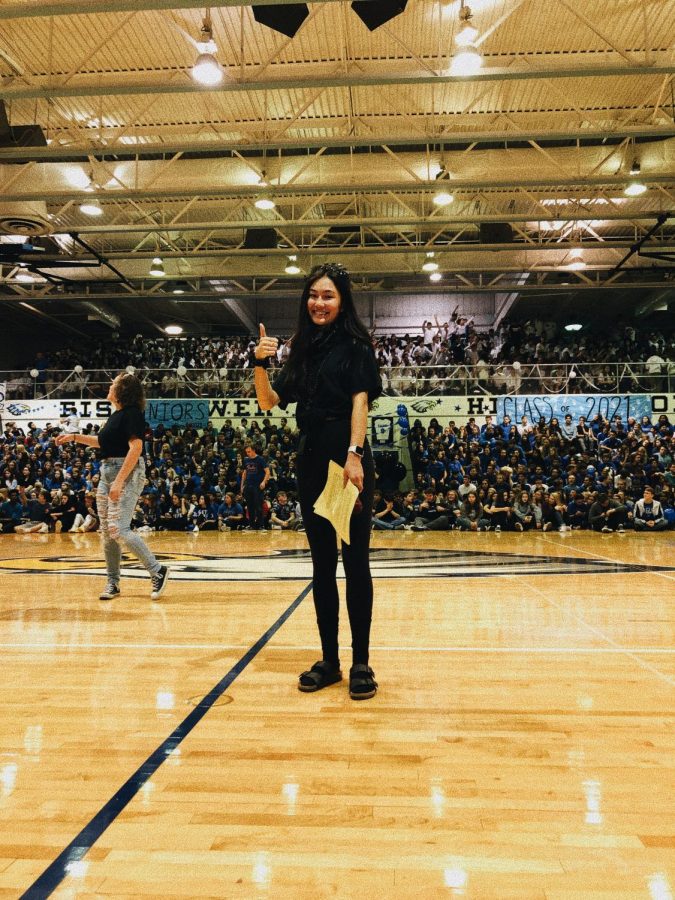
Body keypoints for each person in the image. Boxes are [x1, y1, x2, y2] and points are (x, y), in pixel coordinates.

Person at [253, 262, 382, 700]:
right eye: (313, 295)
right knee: (322, 568)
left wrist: (355, 455)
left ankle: (361, 661)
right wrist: (260, 363)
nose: (319, 303)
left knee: (356, 564)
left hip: (344, 462)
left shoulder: (356, 346)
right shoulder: (300, 349)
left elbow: (360, 402)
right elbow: (269, 402)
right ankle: (330, 660)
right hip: (310, 462)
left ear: (342, 301)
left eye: (327, 296)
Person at [56, 373, 169, 601]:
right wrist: (74, 437)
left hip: (124, 472)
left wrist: (118, 481)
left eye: (113, 384)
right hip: (107, 471)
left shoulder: (132, 414)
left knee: (119, 529)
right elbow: (102, 443)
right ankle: (113, 583)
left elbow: (135, 448)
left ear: (122, 390)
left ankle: (157, 570)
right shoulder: (116, 416)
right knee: (107, 533)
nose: (110, 386)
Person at [240, 444, 270, 531]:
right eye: (246, 452)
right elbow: (244, 473)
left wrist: (264, 482)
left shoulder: (260, 459)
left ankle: (261, 526)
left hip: (258, 486)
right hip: (248, 486)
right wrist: (242, 486)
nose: (247, 453)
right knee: (250, 507)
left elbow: (267, 472)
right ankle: (251, 525)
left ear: (253, 450)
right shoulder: (246, 460)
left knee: (258, 506)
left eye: (249, 451)